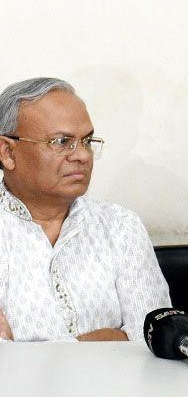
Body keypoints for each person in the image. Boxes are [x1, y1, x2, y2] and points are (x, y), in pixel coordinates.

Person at [0, 78, 171, 342]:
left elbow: (155, 334)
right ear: (7, 152)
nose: (82, 155)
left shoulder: (119, 226)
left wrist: (33, 348)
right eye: (61, 141)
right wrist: (103, 340)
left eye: (87, 141)